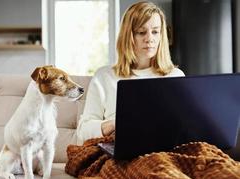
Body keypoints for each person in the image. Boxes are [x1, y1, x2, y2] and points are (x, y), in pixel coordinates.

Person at [76, 1, 185, 144]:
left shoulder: (176, 76)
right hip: (123, 150)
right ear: (128, 36)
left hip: (167, 149)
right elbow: (83, 132)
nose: (149, 39)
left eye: (155, 32)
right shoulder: (104, 76)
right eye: (141, 32)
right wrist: (116, 123)